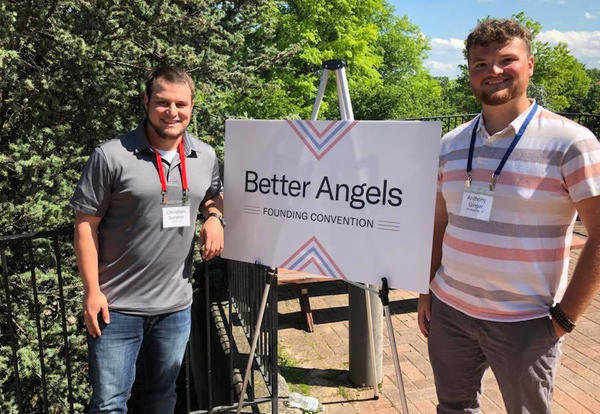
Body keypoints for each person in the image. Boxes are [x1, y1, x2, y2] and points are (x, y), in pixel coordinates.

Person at [417, 19, 600, 413]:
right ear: (469, 72)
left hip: (527, 322)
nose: (492, 71)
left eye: (506, 60)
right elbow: (440, 222)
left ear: (530, 65)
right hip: (451, 311)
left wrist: (564, 320)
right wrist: (426, 288)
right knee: (453, 408)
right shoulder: (451, 144)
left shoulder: (572, 142)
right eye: (480, 63)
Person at [70, 66, 225, 413]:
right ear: (146, 102)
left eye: (181, 104)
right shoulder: (111, 155)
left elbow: (213, 194)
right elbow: (84, 226)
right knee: (110, 404)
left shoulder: (205, 156)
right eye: (163, 102)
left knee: (162, 397)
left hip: (175, 308)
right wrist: (92, 292)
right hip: (116, 308)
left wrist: (214, 217)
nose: (173, 112)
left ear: (192, 107)